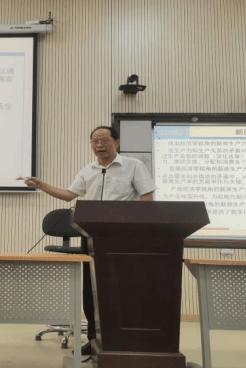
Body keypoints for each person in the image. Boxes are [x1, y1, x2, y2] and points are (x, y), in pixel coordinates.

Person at [24, 126, 156, 356]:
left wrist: (138, 226)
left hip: (124, 237)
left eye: (104, 140)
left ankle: (124, 338)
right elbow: (69, 195)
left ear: (117, 142)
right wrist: (41, 185)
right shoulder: (89, 170)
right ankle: (95, 339)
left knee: (121, 289)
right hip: (93, 237)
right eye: (94, 141)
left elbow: (147, 196)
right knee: (92, 290)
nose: (99, 145)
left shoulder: (134, 166)